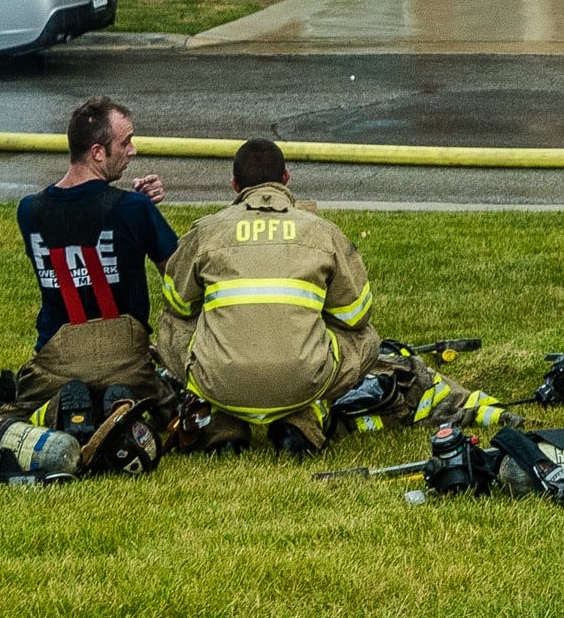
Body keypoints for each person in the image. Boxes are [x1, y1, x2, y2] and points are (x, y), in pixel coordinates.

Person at [151, 137, 379, 452]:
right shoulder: (322, 232)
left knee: (171, 325)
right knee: (366, 337)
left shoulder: (207, 231)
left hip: (220, 380)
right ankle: (303, 420)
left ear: (234, 184)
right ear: (286, 178)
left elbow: (178, 303)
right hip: (304, 380)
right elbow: (355, 314)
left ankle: (221, 428)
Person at [19, 96, 177, 393]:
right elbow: (180, 275)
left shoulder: (29, 210)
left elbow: (78, 218)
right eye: (125, 142)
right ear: (97, 152)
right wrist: (146, 213)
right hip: (125, 360)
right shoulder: (132, 209)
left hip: (54, 361)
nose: (133, 150)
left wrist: (138, 207)